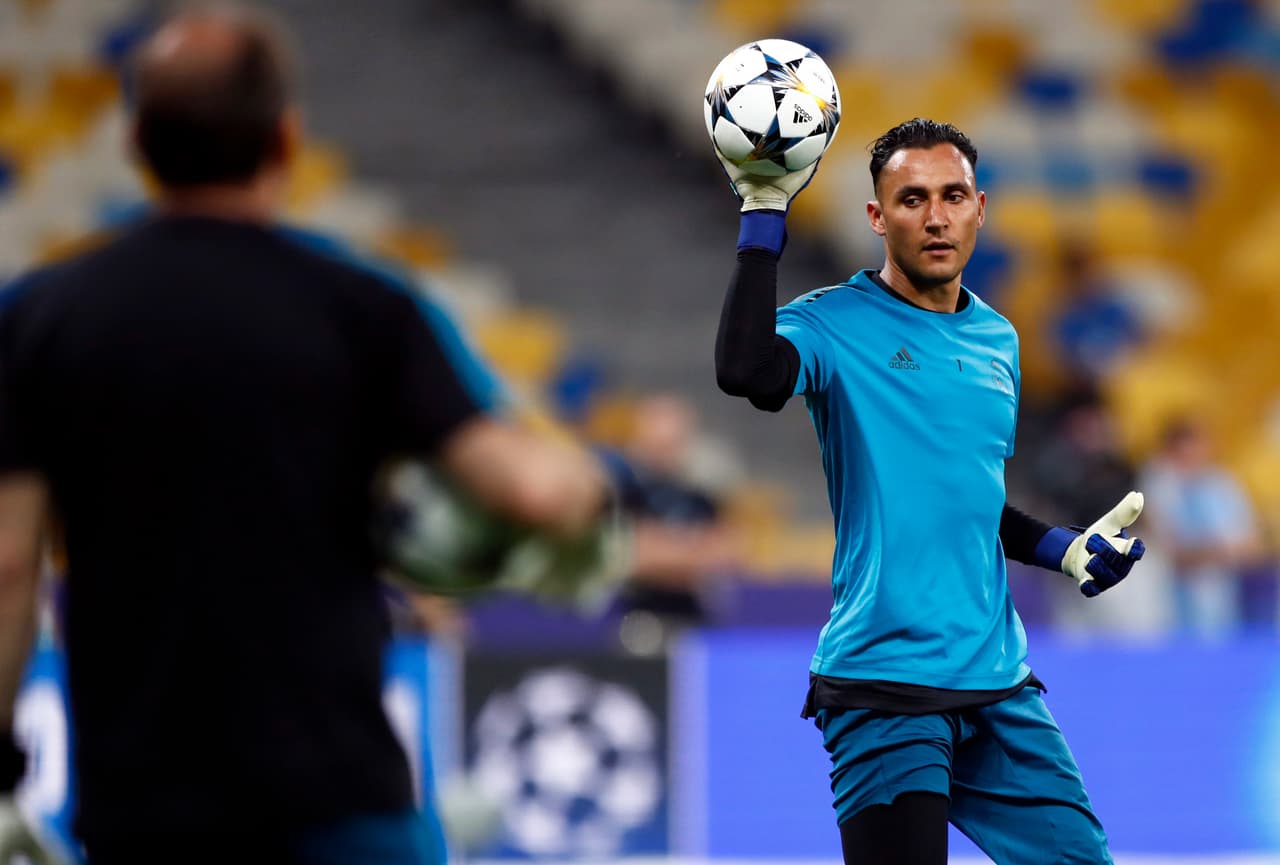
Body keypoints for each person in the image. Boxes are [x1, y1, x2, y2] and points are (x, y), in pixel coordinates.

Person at [0, 4, 607, 864]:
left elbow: (7, 565)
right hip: (335, 796)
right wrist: (582, 485)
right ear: (286, 140)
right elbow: (535, 491)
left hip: (139, 806)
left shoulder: (36, 318)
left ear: (136, 142)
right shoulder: (362, 309)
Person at [713, 118, 1148, 864]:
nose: (936, 216)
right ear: (878, 218)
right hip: (884, 683)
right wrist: (762, 214)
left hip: (997, 682)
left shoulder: (1000, 341)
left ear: (981, 206)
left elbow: (969, 502)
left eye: (952, 196)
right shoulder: (832, 323)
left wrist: (1064, 547)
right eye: (912, 199)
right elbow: (746, 371)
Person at [1138, 418, 1264, 638]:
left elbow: (1252, 546)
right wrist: (1220, 552)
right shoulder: (1156, 486)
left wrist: (1218, 552)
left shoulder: (1221, 483)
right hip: (1169, 601)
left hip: (1221, 596)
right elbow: (1171, 553)